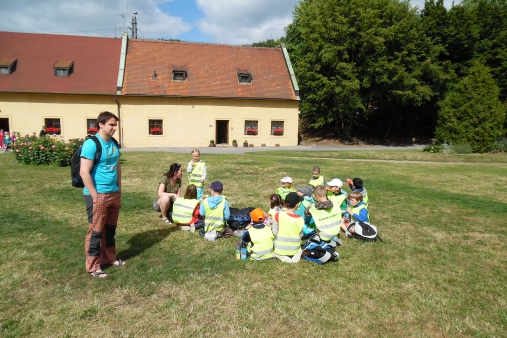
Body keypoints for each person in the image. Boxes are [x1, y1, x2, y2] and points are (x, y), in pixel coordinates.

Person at [80, 111, 123, 278]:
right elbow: (84, 172)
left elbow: (117, 166)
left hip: (113, 193)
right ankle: (93, 267)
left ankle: (109, 258)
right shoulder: (91, 144)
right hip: (97, 194)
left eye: (115, 125)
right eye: (111, 125)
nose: (114, 128)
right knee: (96, 231)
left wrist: (119, 187)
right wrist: (95, 195)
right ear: (101, 125)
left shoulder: (113, 143)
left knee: (110, 229)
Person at [272, 192, 304, 263]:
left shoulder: (278, 215)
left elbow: (274, 231)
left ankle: (281, 256)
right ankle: (296, 255)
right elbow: (301, 235)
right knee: (299, 250)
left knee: (273, 241)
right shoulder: (300, 219)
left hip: (280, 248)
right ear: (297, 205)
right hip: (295, 248)